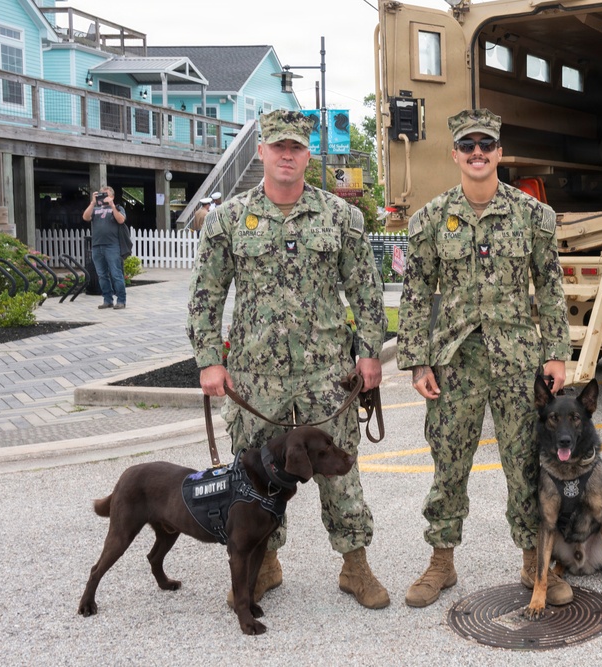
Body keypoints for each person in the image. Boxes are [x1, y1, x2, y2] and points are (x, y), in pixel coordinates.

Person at [187, 109, 390, 610]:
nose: (286, 155)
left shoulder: (340, 217)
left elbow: (365, 290)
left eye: (296, 147)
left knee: (340, 471)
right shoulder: (229, 218)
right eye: (278, 146)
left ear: (307, 155)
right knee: (254, 475)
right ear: (261, 152)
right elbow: (206, 295)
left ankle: (355, 566)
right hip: (255, 377)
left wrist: (368, 354)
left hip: (327, 373)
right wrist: (210, 359)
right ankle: (265, 565)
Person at [397, 108, 573, 608]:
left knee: (524, 466)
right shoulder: (431, 220)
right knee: (448, 463)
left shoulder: (532, 216)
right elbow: (414, 295)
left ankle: (531, 563)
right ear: (455, 154)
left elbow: (551, 286)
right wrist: (418, 361)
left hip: (518, 361)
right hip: (455, 362)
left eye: (486, 145)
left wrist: (557, 353)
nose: (477, 153)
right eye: (467, 145)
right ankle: (441, 562)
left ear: (498, 153)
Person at [83, 185, 127, 310]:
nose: (104, 197)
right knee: (102, 275)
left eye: (106, 195)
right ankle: (107, 300)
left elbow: (121, 220)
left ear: (112, 196)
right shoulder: (95, 209)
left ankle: (121, 300)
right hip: (97, 246)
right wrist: (92, 202)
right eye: (102, 195)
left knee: (116, 273)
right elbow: (85, 217)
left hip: (112, 246)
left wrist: (112, 205)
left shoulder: (118, 208)